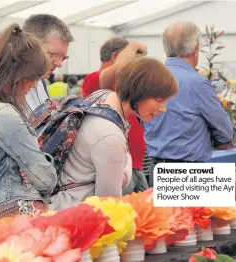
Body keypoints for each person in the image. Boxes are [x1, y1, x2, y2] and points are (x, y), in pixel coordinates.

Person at [50, 56, 178, 210]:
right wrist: (124, 173)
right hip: (76, 215)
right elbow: (108, 205)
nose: (163, 108)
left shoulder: (102, 98)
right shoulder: (110, 135)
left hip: (61, 205)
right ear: (139, 91)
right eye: (158, 100)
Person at [0, 23, 57, 223]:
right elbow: (45, 179)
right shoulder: (4, 114)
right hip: (19, 217)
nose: (34, 85)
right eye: (32, 78)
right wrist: (37, 166)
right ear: (14, 75)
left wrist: (28, 167)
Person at [143, 22, 234, 186]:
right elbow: (223, 128)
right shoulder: (197, 83)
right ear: (195, 48)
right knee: (203, 212)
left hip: (154, 166)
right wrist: (222, 142)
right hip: (188, 172)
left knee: (161, 212)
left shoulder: (149, 78)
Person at [84, 37, 149, 194]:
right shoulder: (94, 79)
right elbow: (119, 66)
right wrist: (134, 46)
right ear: (115, 56)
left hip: (135, 165)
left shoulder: (123, 82)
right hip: (121, 168)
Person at [22, 14, 74, 111]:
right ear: (29, 46)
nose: (59, 64)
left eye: (63, 57)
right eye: (53, 54)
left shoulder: (41, 81)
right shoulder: (5, 90)